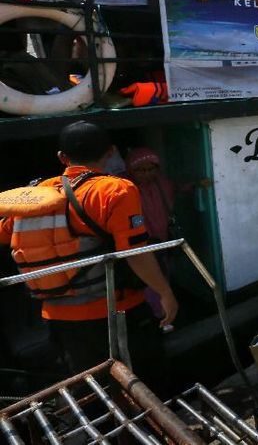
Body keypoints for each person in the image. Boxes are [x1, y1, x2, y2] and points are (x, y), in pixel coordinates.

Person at [0, 121, 177, 382]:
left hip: (59, 318)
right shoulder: (115, 189)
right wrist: (165, 293)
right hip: (117, 312)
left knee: (89, 386)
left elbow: (6, 234)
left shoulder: (33, 195)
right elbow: (134, 253)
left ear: (62, 157)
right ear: (111, 152)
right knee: (141, 380)